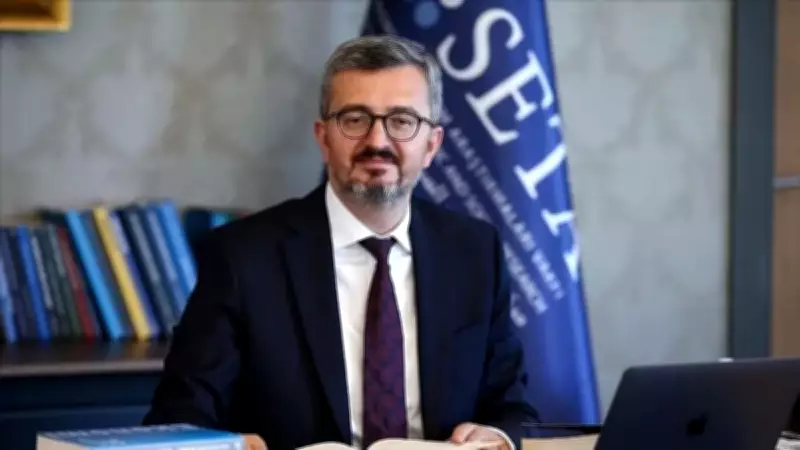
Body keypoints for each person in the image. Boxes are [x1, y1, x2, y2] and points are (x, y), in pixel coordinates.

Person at [143, 35, 539, 450]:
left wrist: (497, 436)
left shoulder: (475, 251)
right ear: (323, 138)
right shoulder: (242, 257)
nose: (377, 142)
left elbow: (512, 408)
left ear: (431, 145)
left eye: (402, 121)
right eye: (354, 119)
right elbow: (180, 419)